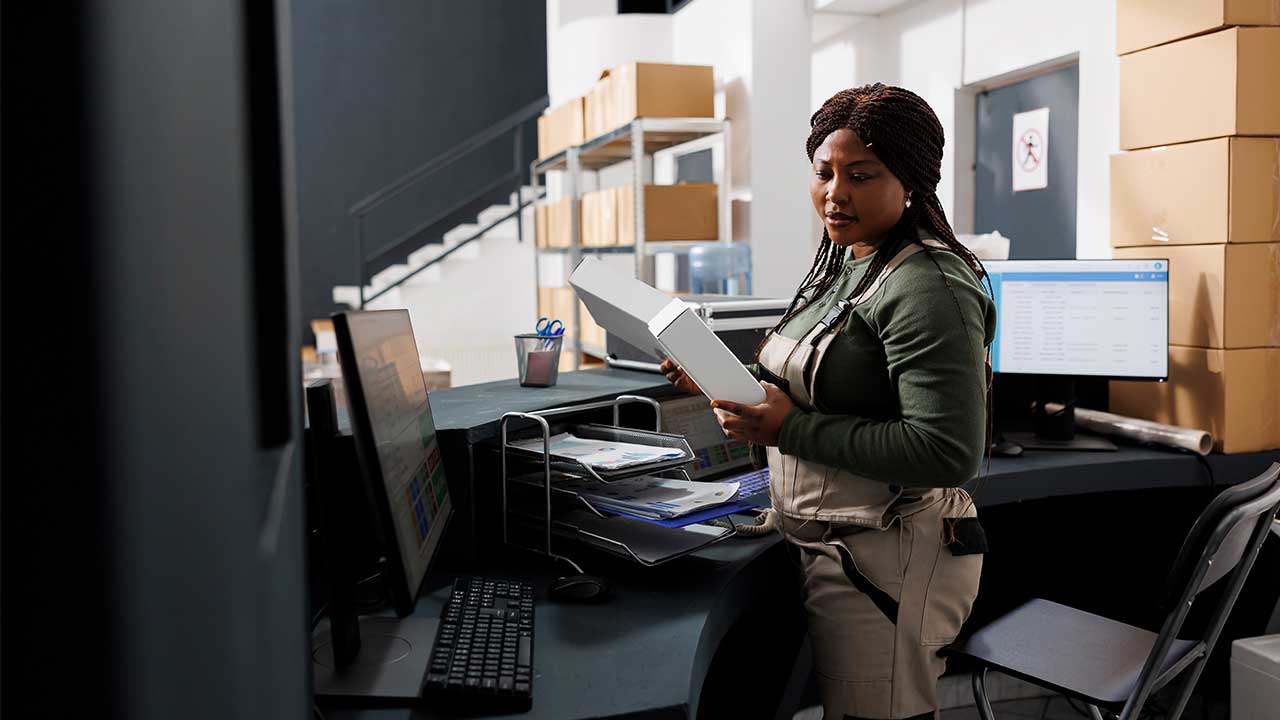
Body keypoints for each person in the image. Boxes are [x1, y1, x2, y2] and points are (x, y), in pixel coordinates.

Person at [661, 84, 997, 720]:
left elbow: (947, 452)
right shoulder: (848, 261)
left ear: (913, 180)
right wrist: (729, 385)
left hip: (889, 558)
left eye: (861, 175)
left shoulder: (928, 284)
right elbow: (833, 381)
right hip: (818, 539)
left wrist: (787, 428)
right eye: (823, 173)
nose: (835, 193)